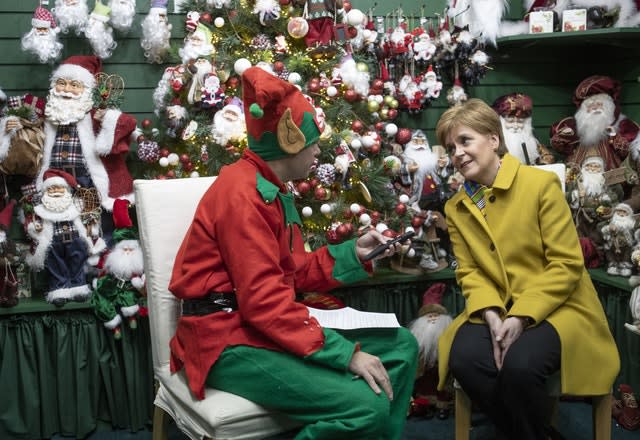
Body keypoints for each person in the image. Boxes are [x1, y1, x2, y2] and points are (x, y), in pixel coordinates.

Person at [168, 66, 418, 439]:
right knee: (366, 406)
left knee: (402, 346)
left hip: (256, 327)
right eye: (313, 141)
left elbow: (292, 273)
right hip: (226, 342)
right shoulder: (242, 195)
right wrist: (345, 354)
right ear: (289, 142)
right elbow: (264, 302)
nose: (318, 150)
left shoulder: (272, 187)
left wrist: (356, 255)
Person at [434, 98, 620, 439]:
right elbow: (471, 273)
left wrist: (520, 316)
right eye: (450, 146)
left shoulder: (539, 185)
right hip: (496, 304)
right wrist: (491, 315)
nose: (457, 153)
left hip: (558, 306)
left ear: (493, 139)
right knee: (465, 358)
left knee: (520, 366)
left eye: (465, 140)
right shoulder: (456, 207)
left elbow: (566, 265)